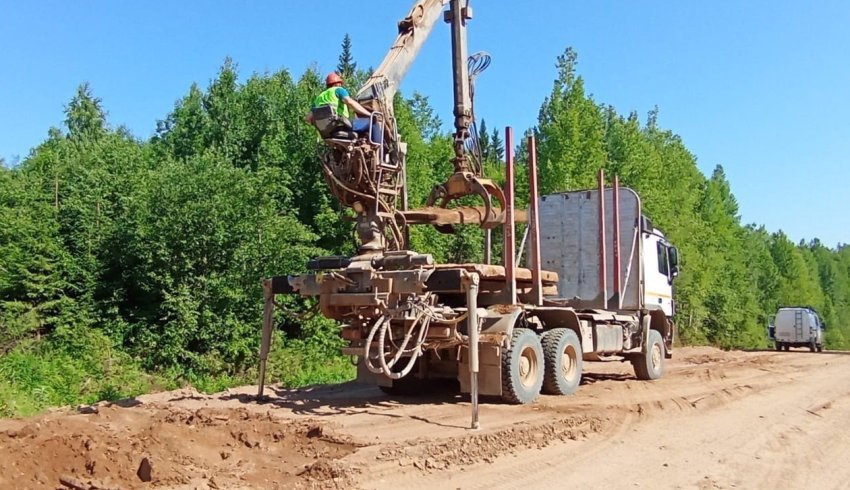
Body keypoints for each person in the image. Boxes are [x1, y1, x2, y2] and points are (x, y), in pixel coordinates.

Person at [306, 72, 382, 143]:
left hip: (327, 133)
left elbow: (308, 119)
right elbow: (350, 102)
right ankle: (378, 149)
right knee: (373, 122)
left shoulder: (319, 97)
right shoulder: (339, 90)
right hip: (342, 125)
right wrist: (369, 114)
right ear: (338, 83)